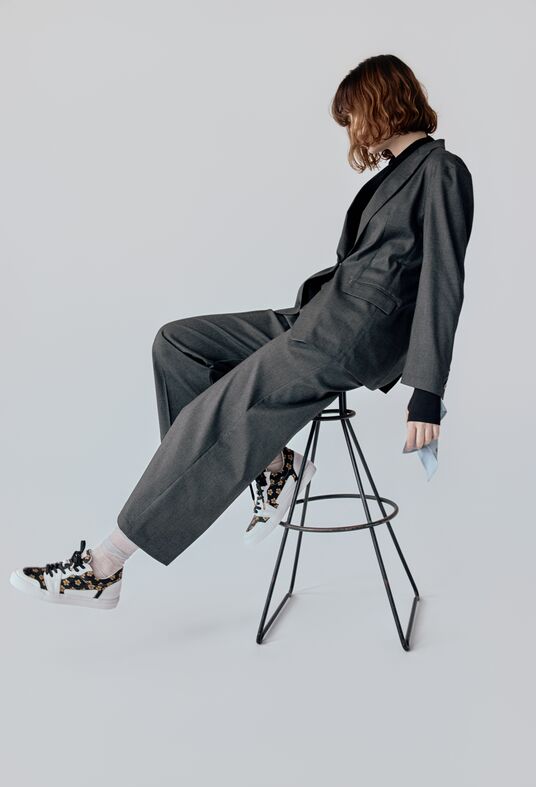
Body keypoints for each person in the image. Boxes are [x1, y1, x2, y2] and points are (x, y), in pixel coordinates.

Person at [9, 53, 474, 609]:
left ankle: (104, 567)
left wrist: (427, 391)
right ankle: (274, 466)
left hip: (351, 338)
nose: (350, 128)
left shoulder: (442, 170)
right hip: (318, 316)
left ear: (380, 103)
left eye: (352, 114)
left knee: (216, 412)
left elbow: (444, 280)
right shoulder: (393, 174)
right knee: (177, 344)